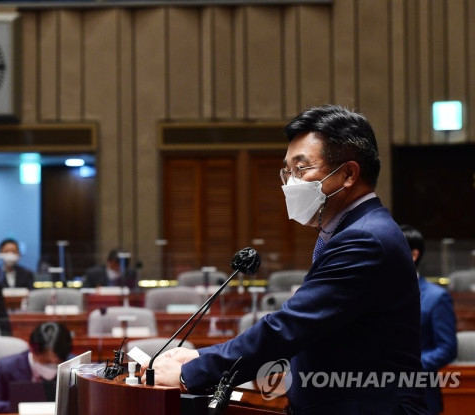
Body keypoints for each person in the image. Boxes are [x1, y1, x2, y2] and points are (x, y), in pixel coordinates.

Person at [142, 105, 428, 414]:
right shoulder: (353, 230)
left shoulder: (365, 239)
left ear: (348, 174)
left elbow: (289, 328)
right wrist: (200, 358)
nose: (290, 182)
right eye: (287, 171)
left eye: (301, 169)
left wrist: (191, 373)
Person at [401, 224, 457, 414]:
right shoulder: (379, 292)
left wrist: (408, 368)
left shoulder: (437, 297)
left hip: (421, 394)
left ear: (413, 255)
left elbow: (447, 348)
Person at [0, 322, 73, 413]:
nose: (52, 365)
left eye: (57, 362)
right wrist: (25, 408)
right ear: (32, 349)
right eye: (47, 361)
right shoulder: (6, 367)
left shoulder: (74, 366)